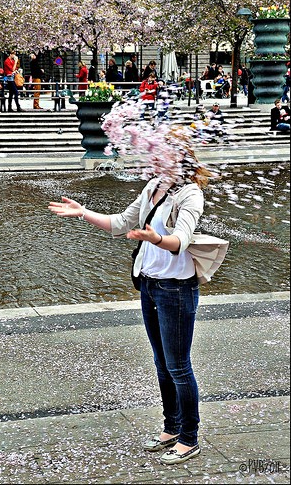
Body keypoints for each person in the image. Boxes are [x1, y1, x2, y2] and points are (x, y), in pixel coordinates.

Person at [48, 133, 215, 466]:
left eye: (158, 154)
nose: (151, 159)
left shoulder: (190, 194)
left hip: (176, 289)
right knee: (161, 364)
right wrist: (83, 212)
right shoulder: (153, 187)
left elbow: (181, 239)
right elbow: (120, 223)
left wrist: (157, 237)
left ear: (175, 158)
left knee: (179, 367)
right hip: (150, 285)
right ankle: (171, 428)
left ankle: (190, 439)